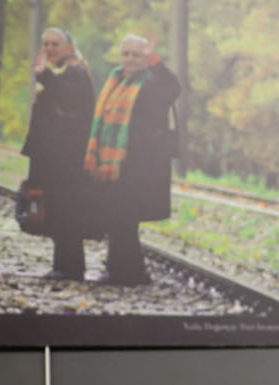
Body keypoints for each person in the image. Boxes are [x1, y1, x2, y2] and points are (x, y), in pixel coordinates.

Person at [81, 33, 183, 285]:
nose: (129, 59)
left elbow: (173, 88)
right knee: (117, 218)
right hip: (113, 162)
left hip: (139, 164)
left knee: (123, 218)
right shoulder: (116, 79)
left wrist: (154, 61)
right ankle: (126, 270)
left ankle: (127, 272)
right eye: (125, 53)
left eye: (135, 54)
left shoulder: (151, 82)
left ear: (146, 58)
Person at [21, 27, 95, 280]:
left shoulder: (76, 72)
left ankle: (71, 267)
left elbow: (66, 97)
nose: (50, 49)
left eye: (55, 44)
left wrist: (44, 74)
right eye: (46, 44)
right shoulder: (64, 73)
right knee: (55, 208)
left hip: (67, 157)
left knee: (67, 209)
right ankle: (63, 265)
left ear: (69, 47)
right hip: (51, 155)